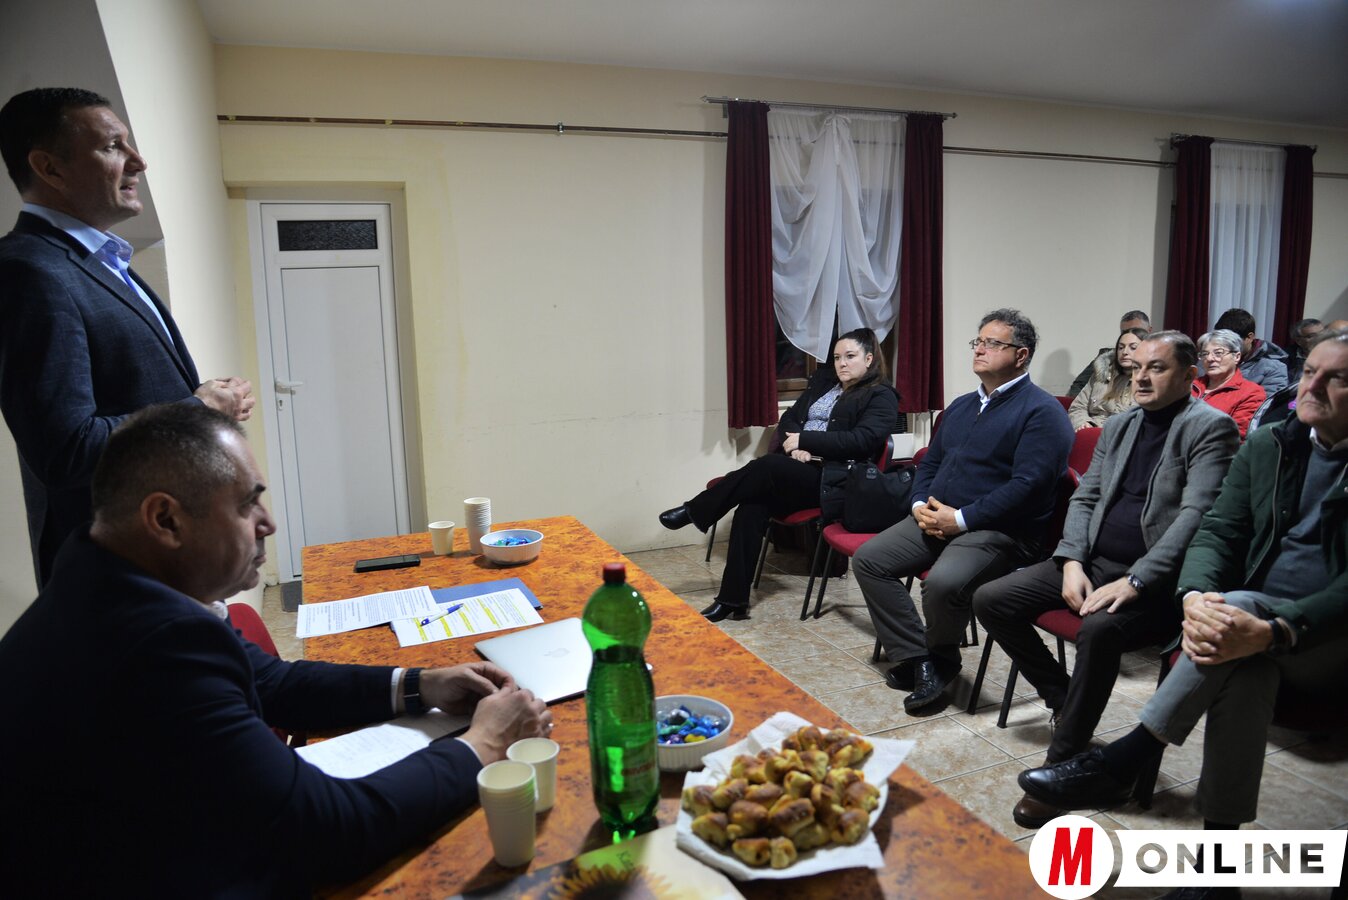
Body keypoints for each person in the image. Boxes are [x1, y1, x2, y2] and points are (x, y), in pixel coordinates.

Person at [0, 403, 551, 897]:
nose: (269, 523)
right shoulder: (153, 643)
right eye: (247, 505)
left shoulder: (99, 581)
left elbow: (270, 682)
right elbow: (331, 831)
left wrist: (421, 683)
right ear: (165, 520)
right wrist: (483, 743)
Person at [1019, 328, 1348, 846]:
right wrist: (1196, 596)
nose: (1313, 386)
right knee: (1239, 656)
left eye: (1338, 379)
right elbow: (1219, 530)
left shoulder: (1215, 427)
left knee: (1234, 622)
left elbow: (1196, 516)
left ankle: (1128, 757)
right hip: (1252, 622)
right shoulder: (1274, 443)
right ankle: (1219, 862)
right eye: (1309, 372)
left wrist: (1275, 628)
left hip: (1326, 634)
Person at [974, 331, 1239, 828]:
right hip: (1094, 563)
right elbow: (1086, 497)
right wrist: (1073, 561)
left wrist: (1136, 580)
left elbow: (1196, 516)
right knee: (992, 599)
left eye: (1157, 368)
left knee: (1097, 631)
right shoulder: (1120, 425)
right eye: (1136, 367)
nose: (1141, 377)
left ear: (1189, 375)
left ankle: (1064, 762)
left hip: (1158, 583)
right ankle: (1063, 698)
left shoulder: (1210, 427)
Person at [0, 87, 255, 587]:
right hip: (118, 575)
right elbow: (65, 450)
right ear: (49, 168)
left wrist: (206, 403)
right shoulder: (29, 272)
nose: (138, 162)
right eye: (113, 146)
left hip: (165, 558)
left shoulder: (101, 262)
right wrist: (197, 410)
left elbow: (134, 395)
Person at [854, 309, 1073, 713]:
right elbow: (930, 463)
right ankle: (921, 659)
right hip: (938, 517)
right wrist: (919, 505)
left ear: (1021, 355)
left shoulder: (1042, 412)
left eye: (993, 343)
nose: (980, 349)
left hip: (1000, 531)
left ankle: (942, 659)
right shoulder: (961, 406)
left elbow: (1028, 488)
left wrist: (960, 519)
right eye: (978, 341)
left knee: (942, 583)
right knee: (870, 560)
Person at [659, 328, 899, 622]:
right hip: (799, 468)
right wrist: (796, 447)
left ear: (869, 359)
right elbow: (790, 419)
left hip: (834, 480)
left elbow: (862, 441)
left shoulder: (881, 396)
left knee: (767, 466)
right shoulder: (825, 384)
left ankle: (696, 510)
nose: (842, 364)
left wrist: (806, 441)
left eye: (850, 356)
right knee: (751, 506)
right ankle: (732, 600)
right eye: (837, 358)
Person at [1067, 327, 1147, 430]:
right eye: (1121, 347)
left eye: (1133, 347)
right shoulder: (1101, 375)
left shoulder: (1148, 383)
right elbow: (1077, 407)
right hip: (1090, 430)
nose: (1125, 352)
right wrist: (1083, 423)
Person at [1193, 329, 1266, 439]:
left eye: (1218, 353)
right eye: (1204, 354)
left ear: (1236, 357)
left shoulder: (1251, 393)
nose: (1209, 358)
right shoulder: (1189, 386)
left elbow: (1235, 436)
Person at [1067, 310, 1152, 398]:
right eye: (1124, 332)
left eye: (1136, 331)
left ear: (1149, 331)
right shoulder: (1106, 359)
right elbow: (1078, 386)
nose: (1129, 336)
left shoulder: (1156, 367)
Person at [1213, 307, 1289, 394]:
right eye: (1220, 340)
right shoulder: (1210, 358)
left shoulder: (1274, 368)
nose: (1224, 346)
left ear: (1250, 337)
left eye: (1232, 342)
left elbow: (1269, 401)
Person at [1285, 317, 1324, 384]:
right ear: (1298, 341)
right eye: (1312, 336)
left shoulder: (1336, 356)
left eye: (1322, 334)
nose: (1320, 338)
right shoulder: (1285, 358)